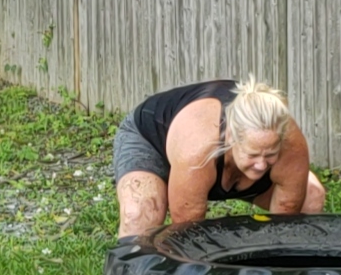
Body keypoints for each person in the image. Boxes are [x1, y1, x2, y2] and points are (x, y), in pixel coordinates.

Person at [113, 77, 326, 238]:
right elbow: (188, 235)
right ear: (231, 137)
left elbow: (282, 225)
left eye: (270, 154)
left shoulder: (291, 145)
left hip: (218, 166)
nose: (261, 165)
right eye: (252, 154)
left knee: (311, 195)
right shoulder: (198, 150)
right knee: (140, 213)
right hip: (152, 141)